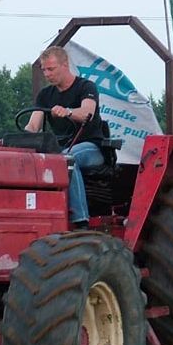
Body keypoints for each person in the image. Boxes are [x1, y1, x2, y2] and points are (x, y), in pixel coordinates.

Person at [25, 45, 105, 228]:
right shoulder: (45, 95)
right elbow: (33, 125)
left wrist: (68, 111)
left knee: (66, 160)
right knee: (37, 159)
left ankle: (80, 220)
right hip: (60, 148)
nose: (47, 74)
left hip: (91, 146)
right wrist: (19, 140)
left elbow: (87, 113)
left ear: (65, 64)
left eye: (51, 69)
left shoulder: (86, 87)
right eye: (44, 70)